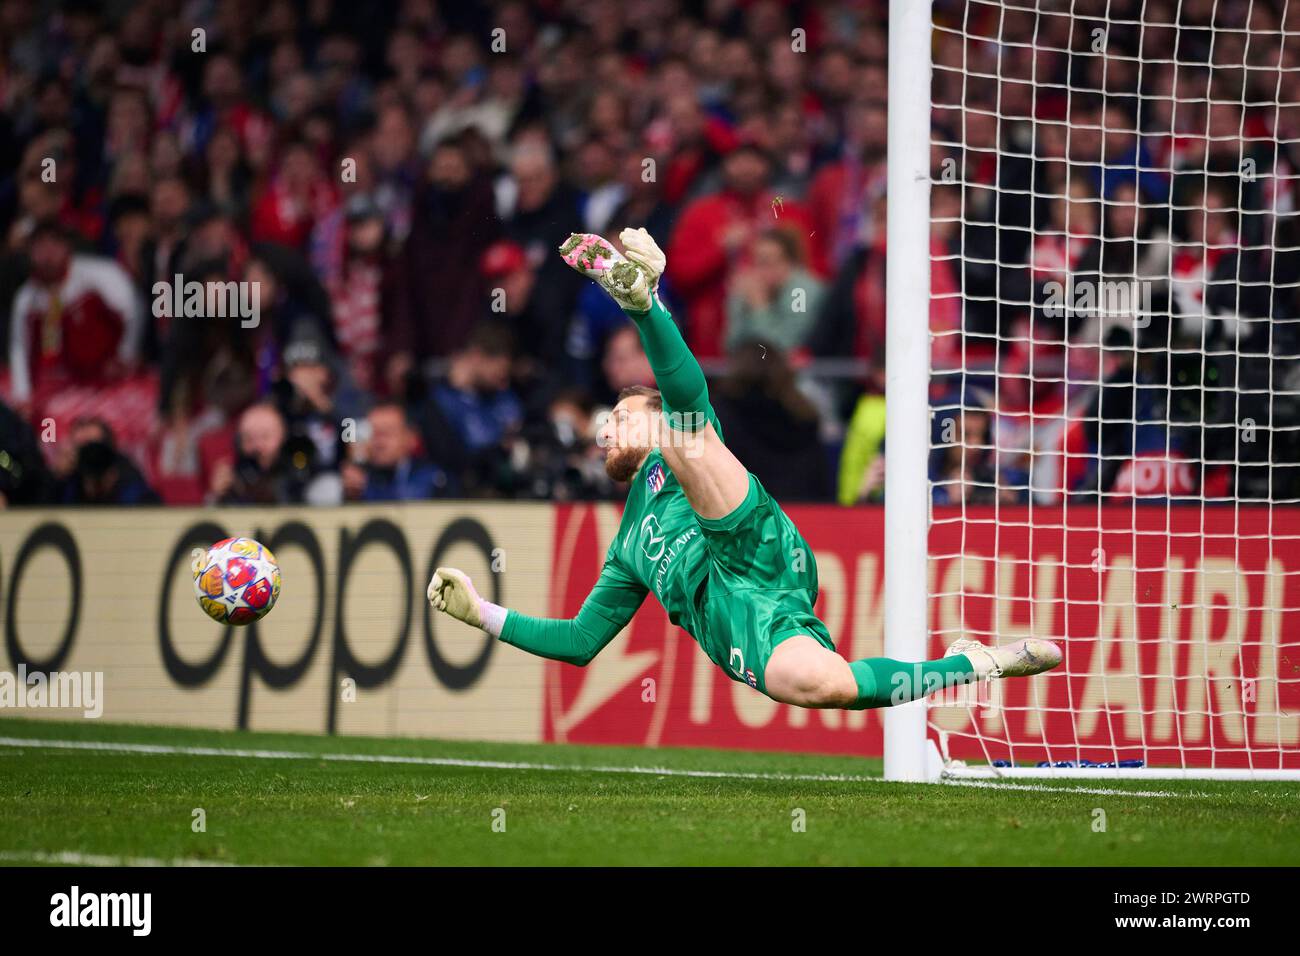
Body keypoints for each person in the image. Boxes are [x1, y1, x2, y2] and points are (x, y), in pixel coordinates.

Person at [428, 227, 1063, 709]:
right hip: (740, 621)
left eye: (621, 416)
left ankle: (645, 303)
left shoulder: (681, 442)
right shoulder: (627, 547)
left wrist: (647, 316)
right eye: (606, 425)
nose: (606, 431)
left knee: (684, 438)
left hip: (750, 546)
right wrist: (481, 612)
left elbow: (685, 404)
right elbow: (579, 641)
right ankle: (973, 665)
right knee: (825, 685)